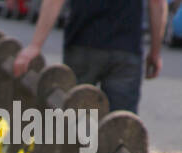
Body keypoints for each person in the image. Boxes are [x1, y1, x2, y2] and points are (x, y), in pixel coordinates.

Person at [12, 0, 167, 113]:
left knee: (74, 120)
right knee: (121, 126)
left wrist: (36, 45)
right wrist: (155, 51)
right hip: (126, 47)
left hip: (83, 41)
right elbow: (157, 3)